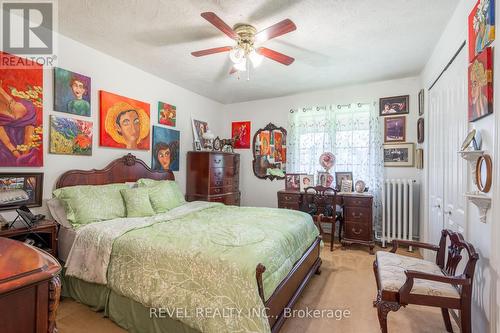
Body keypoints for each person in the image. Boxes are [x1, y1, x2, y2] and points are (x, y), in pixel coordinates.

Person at [0, 82, 40, 166]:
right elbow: (6, 142)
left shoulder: (27, 105)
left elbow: (28, 136)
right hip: (8, 146)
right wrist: (15, 152)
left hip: (25, 143)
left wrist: (25, 154)